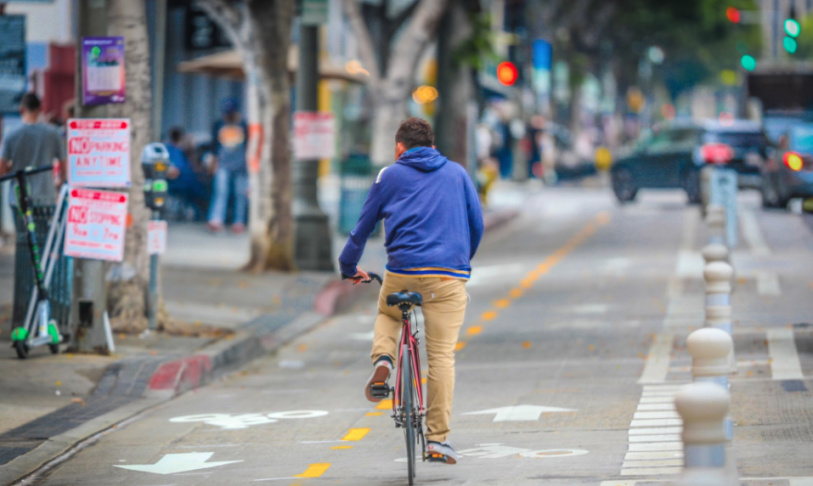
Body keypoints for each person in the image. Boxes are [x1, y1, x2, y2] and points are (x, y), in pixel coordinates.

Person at [339, 117, 484, 465]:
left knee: (388, 313)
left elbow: (362, 228)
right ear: (433, 146)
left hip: (402, 272)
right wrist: (461, 260)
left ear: (399, 148)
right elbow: (476, 224)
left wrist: (348, 267)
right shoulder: (458, 174)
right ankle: (437, 441)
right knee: (441, 357)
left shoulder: (389, 175)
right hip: (448, 277)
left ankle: (385, 359)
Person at [0, 93, 66, 206]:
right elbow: (64, 165)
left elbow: (1, 170)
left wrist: (13, 167)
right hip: (46, 197)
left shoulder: (11, 135)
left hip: (19, 198)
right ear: (41, 108)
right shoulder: (53, 133)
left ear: (21, 109)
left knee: (23, 224)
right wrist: (60, 182)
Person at [207, 98, 248, 233]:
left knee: (240, 194)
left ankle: (238, 221)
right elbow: (214, 147)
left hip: (241, 166)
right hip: (223, 165)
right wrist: (213, 163)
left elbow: (249, 146)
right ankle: (216, 220)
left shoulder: (243, 125)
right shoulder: (219, 124)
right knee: (220, 192)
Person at [166, 127, 208, 220]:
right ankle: (199, 212)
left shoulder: (184, 151)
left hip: (189, 180)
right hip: (179, 182)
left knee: (202, 187)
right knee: (198, 190)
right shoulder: (169, 150)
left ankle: (200, 212)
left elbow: (195, 166)